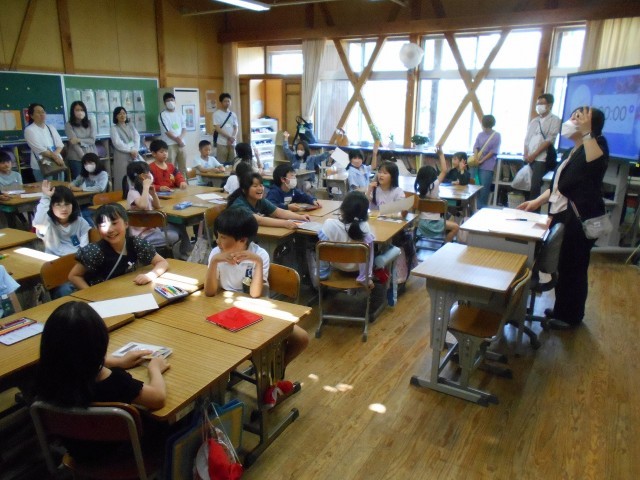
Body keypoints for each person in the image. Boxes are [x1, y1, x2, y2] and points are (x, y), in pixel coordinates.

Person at [35, 301, 168, 459]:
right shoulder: (115, 381)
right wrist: (154, 369)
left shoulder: (43, 378)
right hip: (122, 457)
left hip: (76, 453)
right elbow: (158, 398)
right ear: (101, 342)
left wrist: (118, 362)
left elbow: (75, 358)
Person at [204, 208, 308, 407]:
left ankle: (273, 374)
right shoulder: (216, 253)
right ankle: (259, 377)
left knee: (301, 338)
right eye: (218, 235)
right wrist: (214, 262)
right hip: (225, 313)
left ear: (242, 240)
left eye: (223, 237)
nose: (217, 241)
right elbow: (209, 292)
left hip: (256, 312)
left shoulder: (259, 255)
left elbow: (254, 294)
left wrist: (258, 262)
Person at [518, 106, 608, 330]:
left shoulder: (596, 145)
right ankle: (561, 310)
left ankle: (571, 317)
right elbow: (559, 186)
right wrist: (536, 202)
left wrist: (587, 132)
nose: (570, 121)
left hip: (578, 220)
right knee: (564, 265)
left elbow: (595, 164)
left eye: (577, 118)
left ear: (590, 124)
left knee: (574, 268)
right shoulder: (572, 151)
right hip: (562, 215)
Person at [69, 203, 169, 289]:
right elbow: (74, 276)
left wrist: (150, 275)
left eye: (114, 223)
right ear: (98, 229)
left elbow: (162, 262)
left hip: (125, 289)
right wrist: (91, 295)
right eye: (103, 225)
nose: (110, 230)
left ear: (126, 223)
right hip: (102, 295)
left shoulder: (136, 243)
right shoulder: (94, 251)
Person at [125, 161, 190, 260]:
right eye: (148, 173)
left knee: (179, 226)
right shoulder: (133, 192)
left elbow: (157, 206)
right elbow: (142, 205)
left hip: (153, 229)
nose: (150, 175)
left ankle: (185, 253)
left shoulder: (143, 190)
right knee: (174, 235)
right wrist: (146, 187)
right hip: (142, 235)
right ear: (142, 176)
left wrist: (153, 193)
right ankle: (174, 255)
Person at [318, 191, 375, 289]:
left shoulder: (329, 224)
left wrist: (322, 274)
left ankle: (322, 276)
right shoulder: (365, 227)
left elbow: (322, 252)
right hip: (356, 270)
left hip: (336, 266)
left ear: (342, 208)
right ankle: (364, 279)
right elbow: (369, 256)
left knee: (316, 247)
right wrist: (365, 278)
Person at [227, 171, 309, 229]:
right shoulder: (239, 205)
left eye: (261, 185)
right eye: (255, 186)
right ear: (244, 190)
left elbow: (279, 212)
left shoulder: (260, 201)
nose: (260, 188)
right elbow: (259, 220)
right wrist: (285, 223)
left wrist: (300, 217)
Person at [33, 180, 91, 256]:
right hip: (54, 260)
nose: (64, 209)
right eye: (58, 205)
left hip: (75, 259)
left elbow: (84, 249)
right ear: (51, 207)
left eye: (67, 204)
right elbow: (38, 222)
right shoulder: (47, 222)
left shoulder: (81, 222)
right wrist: (46, 197)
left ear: (73, 205)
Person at [414, 146, 459, 243]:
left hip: (421, 224)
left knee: (448, 214)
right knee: (455, 227)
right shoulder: (434, 185)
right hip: (434, 224)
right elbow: (444, 170)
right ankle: (445, 245)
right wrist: (441, 154)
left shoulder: (420, 190)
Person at [524, 93, 561, 201]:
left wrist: (534, 154)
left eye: (541, 103)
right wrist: (526, 154)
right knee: (526, 185)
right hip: (529, 157)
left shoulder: (555, 120)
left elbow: (549, 139)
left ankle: (534, 208)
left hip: (541, 158)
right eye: (538, 104)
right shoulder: (534, 120)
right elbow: (527, 139)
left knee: (535, 187)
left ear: (549, 105)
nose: (539, 106)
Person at [23, 103, 65, 182]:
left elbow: (60, 144)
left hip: (57, 164)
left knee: (60, 187)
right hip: (42, 166)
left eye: (43, 112)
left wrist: (55, 157)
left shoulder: (51, 127)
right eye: (38, 112)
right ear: (31, 116)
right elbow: (41, 150)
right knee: (46, 188)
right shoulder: (29, 130)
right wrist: (56, 158)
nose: (41, 114)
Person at [70, 152, 109, 226]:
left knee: (83, 214)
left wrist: (81, 189)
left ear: (96, 162)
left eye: (90, 163)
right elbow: (75, 182)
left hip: (99, 202)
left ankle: (93, 229)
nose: (88, 165)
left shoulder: (103, 174)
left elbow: (100, 188)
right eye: (85, 164)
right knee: (74, 211)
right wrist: (71, 186)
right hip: (86, 201)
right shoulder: (85, 174)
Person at [472, 114, 501, 208]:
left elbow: (493, 151)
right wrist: (476, 158)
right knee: (473, 187)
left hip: (487, 166)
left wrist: (482, 160)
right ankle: (473, 208)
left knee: (484, 190)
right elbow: (475, 147)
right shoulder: (480, 134)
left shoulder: (496, 135)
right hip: (476, 164)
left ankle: (481, 209)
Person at [110, 106, 140, 192]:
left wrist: (135, 150)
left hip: (134, 154)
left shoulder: (131, 126)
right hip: (122, 155)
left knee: (135, 175)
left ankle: (136, 195)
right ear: (116, 116)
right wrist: (130, 150)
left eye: (124, 113)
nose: (122, 115)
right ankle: (123, 195)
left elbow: (137, 138)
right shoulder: (114, 128)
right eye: (120, 114)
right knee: (123, 176)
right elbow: (117, 143)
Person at [65, 100, 96, 179]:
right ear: (73, 111)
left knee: (93, 180)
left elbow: (92, 140)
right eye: (77, 110)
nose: (80, 112)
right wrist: (84, 158)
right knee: (80, 180)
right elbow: (74, 144)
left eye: (82, 110)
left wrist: (79, 140)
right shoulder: (69, 125)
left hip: (91, 155)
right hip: (76, 158)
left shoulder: (90, 122)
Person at [159, 92, 187, 173]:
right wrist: (178, 140)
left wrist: (180, 139)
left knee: (183, 167)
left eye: (172, 100)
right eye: (168, 101)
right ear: (164, 103)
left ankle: (183, 180)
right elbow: (167, 131)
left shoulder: (180, 113)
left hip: (181, 144)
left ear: (175, 101)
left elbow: (184, 128)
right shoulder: (163, 115)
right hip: (169, 144)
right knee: (170, 167)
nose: (170, 102)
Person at [213, 93, 238, 165]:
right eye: (225, 101)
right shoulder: (216, 114)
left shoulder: (233, 114)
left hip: (232, 143)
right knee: (221, 164)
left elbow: (236, 127)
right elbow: (218, 129)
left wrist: (233, 137)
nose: (227, 103)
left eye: (228, 101)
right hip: (222, 143)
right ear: (221, 102)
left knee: (232, 163)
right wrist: (229, 138)